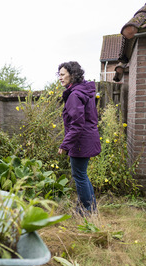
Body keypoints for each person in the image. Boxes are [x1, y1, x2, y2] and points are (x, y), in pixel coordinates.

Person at [57, 61, 101, 216]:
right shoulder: (83, 91)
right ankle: (89, 207)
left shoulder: (75, 95)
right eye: (59, 75)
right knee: (82, 174)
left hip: (80, 141)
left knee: (79, 176)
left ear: (72, 74)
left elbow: (77, 124)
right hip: (85, 139)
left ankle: (87, 211)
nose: (60, 78)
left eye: (63, 74)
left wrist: (65, 144)